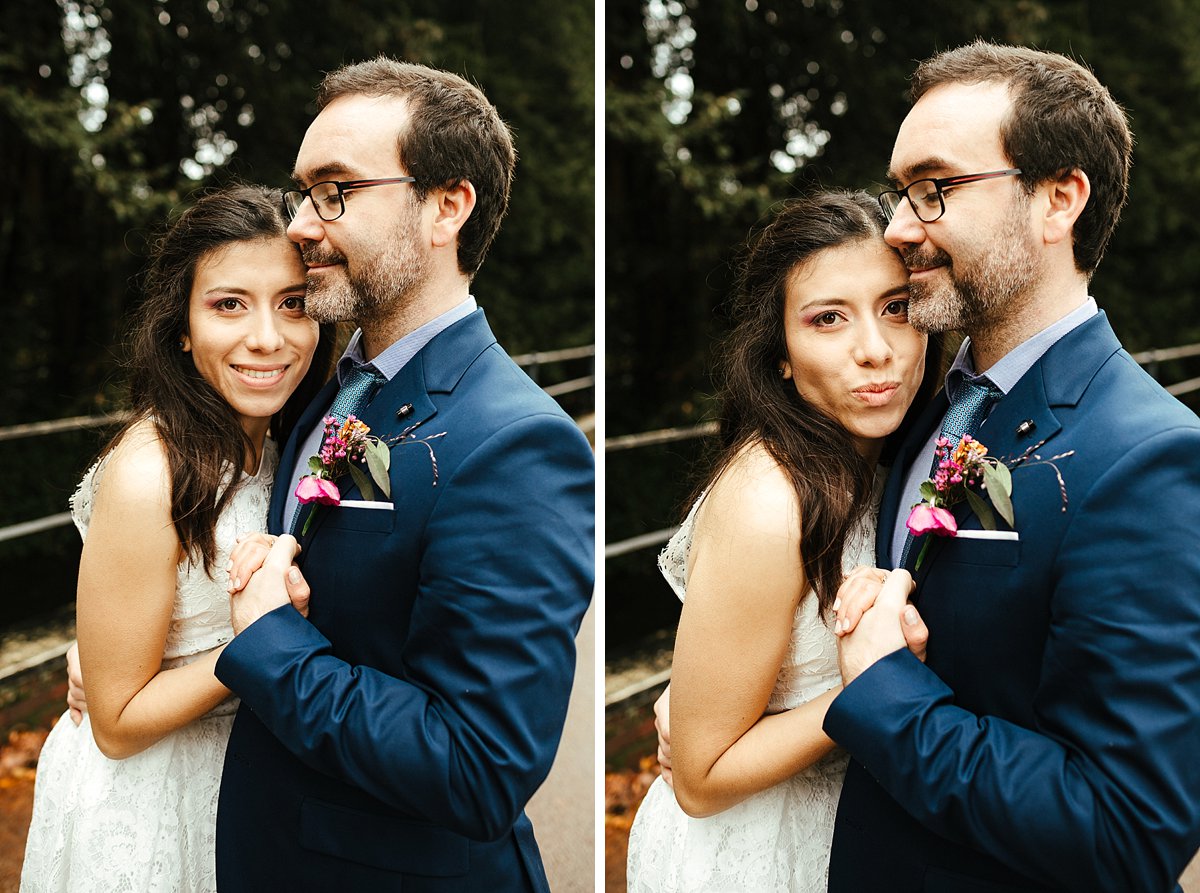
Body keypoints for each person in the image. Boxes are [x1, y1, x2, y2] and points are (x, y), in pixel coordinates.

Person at [209, 57, 594, 892]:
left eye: (337, 190)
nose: (303, 226)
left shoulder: (518, 443)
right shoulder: (328, 384)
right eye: (303, 192)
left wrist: (270, 641)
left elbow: (480, 765)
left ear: (446, 206)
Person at [824, 41, 1200, 892]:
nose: (895, 227)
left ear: (1058, 198)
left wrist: (886, 693)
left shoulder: (1147, 458)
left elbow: (1127, 827)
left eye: (934, 189)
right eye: (898, 193)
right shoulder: (926, 402)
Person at [20, 184, 333, 892]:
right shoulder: (148, 473)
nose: (267, 336)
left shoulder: (288, 444)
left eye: (293, 302)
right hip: (152, 795)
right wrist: (262, 642)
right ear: (183, 326)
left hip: (247, 783)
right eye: (229, 303)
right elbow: (116, 720)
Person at [626, 190, 940, 892]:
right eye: (828, 319)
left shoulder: (895, 460)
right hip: (757, 854)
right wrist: (877, 690)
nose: (875, 350)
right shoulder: (771, 501)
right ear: (783, 358)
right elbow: (700, 778)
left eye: (896, 307)